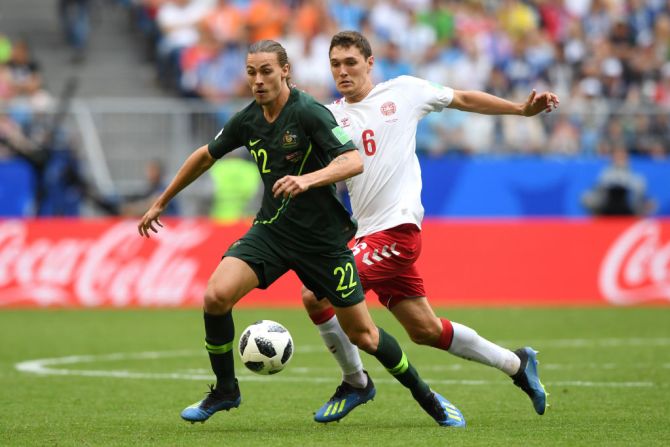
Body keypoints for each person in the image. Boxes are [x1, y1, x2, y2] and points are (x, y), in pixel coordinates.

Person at [138, 39, 465, 428]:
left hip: (324, 242)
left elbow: (352, 160)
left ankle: (426, 397)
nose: (258, 81)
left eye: (266, 72)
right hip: (273, 231)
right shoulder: (248, 119)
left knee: (365, 335)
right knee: (215, 296)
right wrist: (162, 201)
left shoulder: (309, 112)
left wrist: (307, 180)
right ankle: (226, 390)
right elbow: (206, 155)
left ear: (285, 71)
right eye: (251, 73)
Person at [301, 31, 560, 423]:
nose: (342, 71)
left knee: (317, 295)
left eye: (351, 62)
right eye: (335, 64)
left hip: (397, 232)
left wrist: (519, 110)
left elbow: (463, 99)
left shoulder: (403, 91)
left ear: (370, 63)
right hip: (368, 234)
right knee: (424, 330)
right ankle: (517, 364)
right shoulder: (331, 116)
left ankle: (355, 381)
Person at [581, 145, 656, 216]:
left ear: (627, 158)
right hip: (605, 209)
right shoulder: (605, 175)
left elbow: (641, 196)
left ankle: (634, 225)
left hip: (630, 210)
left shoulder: (636, 178)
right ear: (612, 158)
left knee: (652, 204)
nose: (619, 159)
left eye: (622, 156)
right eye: (617, 156)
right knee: (586, 198)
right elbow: (597, 191)